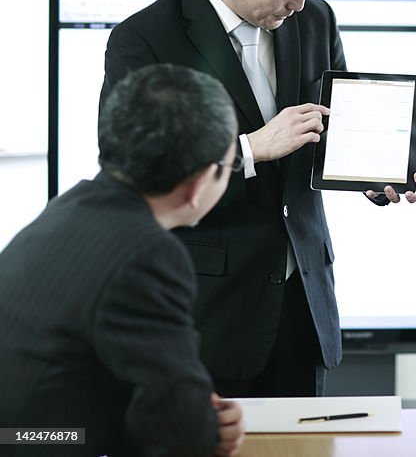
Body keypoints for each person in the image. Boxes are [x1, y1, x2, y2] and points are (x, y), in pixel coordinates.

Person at [100, 0, 416, 397]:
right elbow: (134, 178)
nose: (298, 5)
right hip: (207, 317)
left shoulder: (315, 20)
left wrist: (371, 171)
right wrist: (250, 149)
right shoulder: (145, 39)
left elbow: (325, 133)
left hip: (304, 306)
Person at [0, 65, 244, 457]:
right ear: (199, 183)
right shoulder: (148, 254)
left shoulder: (69, 207)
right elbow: (187, 436)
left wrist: (195, 415)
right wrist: (203, 423)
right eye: (229, 165)